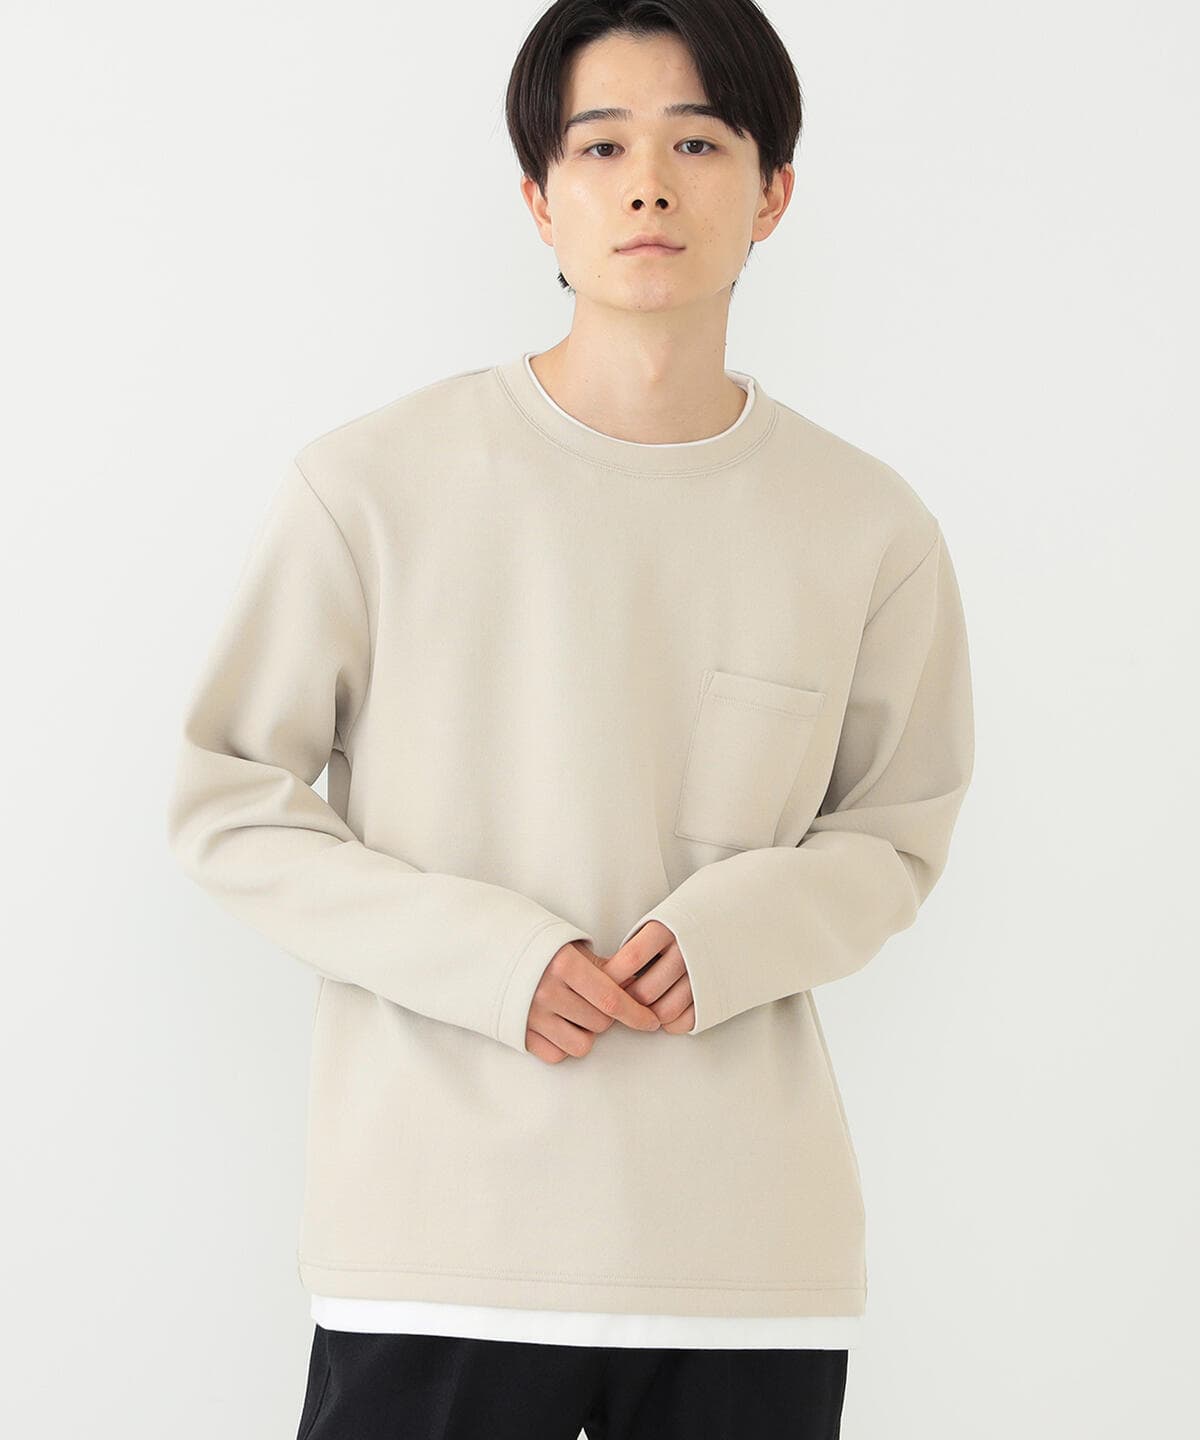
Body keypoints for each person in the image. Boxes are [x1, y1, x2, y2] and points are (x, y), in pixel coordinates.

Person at [165, 1, 975, 1436]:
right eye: (601, 146)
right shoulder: (371, 487)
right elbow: (230, 800)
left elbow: (897, 834)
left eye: (698, 143)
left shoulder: (867, 527)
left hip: (744, 1261)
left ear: (774, 191)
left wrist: (732, 935)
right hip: (436, 1252)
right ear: (540, 198)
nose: (648, 184)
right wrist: (489, 959)